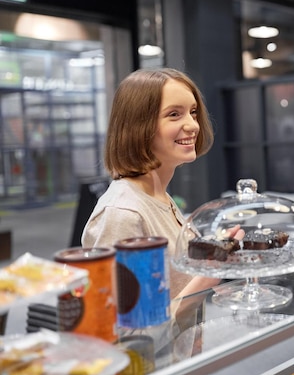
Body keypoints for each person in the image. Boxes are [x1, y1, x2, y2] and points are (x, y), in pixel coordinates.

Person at [81, 68, 235, 304]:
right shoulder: (123, 214)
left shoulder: (158, 196)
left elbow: (174, 286)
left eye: (193, 112)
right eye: (174, 114)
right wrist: (210, 274)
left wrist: (214, 252)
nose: (193, 125)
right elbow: (130, 330)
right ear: (138, 127)